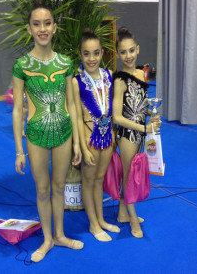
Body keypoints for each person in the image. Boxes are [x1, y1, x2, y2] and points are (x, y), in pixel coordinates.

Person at [12, 0, 83, 263]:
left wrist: (76, 143)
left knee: (59, 186)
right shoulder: (21, 65)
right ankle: (47, 239)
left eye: (47, 23)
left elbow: (72, 105)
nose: (42, 28)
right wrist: (19, 150)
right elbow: (18, 109)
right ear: (29, 28)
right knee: (42, 190)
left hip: (64, 131)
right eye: (36, 24)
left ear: (55, 27)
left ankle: (61, 235)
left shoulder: (65, 62)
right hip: (36, 135)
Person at [112, 26, 161, 238]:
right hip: (127, 135)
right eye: (123, 52)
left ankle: (123, 213)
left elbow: (140, 104)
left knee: (130, 174)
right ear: (117, 54)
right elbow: (117, 116)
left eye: (131, 50)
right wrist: (144, 127)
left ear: (138, 49)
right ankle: (133, 220)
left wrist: (152, 113)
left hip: (140, 133)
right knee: (129, 177)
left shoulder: (141, 74)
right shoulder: (120, 80)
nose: (128, 56)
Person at [73, 29, 120, 242]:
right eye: (86, 54)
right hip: (89, 138)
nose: (91, 59)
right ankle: (93, 224)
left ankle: (101, 219)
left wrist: (114, 136)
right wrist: (82, 146)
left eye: (96, 53)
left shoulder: (109, 75)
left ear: (102, 53)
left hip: (107, 137)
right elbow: (75, 115)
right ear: (80, 54)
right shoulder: (76, 82)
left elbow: (111, 109)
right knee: (89, 181)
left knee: (99, 180)